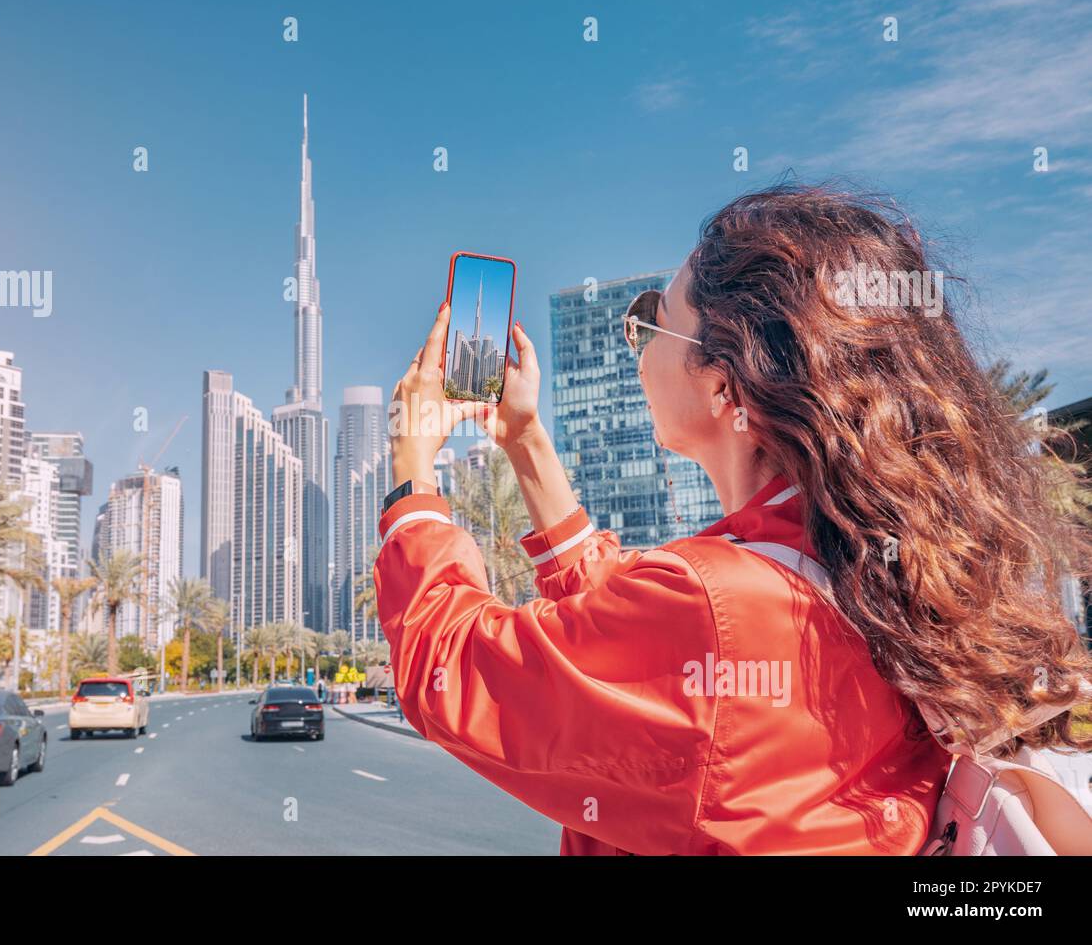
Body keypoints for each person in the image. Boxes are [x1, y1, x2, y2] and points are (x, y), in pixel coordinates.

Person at [373, 184, 1092, 855]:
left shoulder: (720, 609)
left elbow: (453, 670)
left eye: (654, 320)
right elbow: (624, 615)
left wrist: (412, 462)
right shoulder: (858, 562)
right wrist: (526, 443)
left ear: (722, 383)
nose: (638, 341)